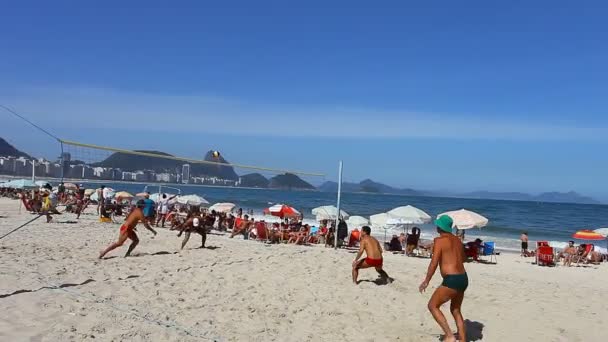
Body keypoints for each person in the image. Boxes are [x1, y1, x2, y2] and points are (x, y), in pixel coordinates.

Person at [419, 215, 468, 342]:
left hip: (451, 280)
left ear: (440, 227)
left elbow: (433, 263)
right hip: (463, 278)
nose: (436, 226)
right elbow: (463, 258)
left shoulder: (439, 241)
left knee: (432, 306)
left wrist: (426, 281)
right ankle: (462, 339)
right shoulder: (458, 240)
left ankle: (450, 335)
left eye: (437, 224)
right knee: (456, 310)